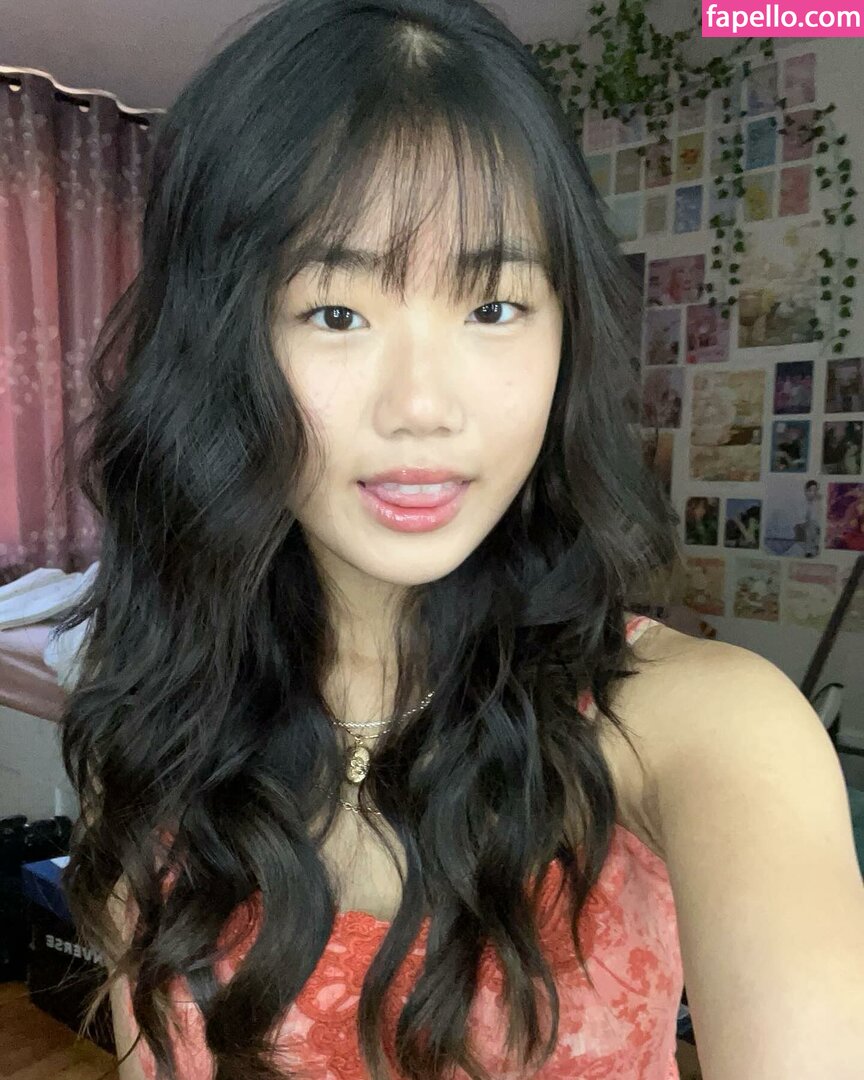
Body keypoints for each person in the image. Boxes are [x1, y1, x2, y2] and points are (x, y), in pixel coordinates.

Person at [52, 2, 864, 1079]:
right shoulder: (153, 716)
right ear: (218, 350)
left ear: (567, 330)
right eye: (335, 312)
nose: (424, 408)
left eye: (493, 306)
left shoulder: (704, 729)